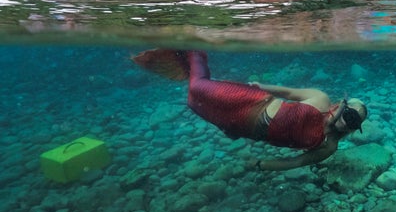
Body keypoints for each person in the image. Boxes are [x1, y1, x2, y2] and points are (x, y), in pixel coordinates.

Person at [132, 50, 367, 171]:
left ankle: (185, 62)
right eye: (350, 115)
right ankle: (193, 52)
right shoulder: (321, 99)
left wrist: (263, 165)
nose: (349, 123)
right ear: (342, 107)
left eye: (355, 123)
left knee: (193, 103)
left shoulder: (328, 146)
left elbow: (296, 162)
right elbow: (286, 92)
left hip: (242, 127)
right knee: (197, 87)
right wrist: (261, 86)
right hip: (253, 102)